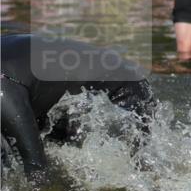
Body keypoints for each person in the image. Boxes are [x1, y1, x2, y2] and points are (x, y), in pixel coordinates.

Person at [1, 34, 154, 179]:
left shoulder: (4, 93)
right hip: (58, 98)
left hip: (122, 89)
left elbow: (37, 170)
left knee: (129, 174)